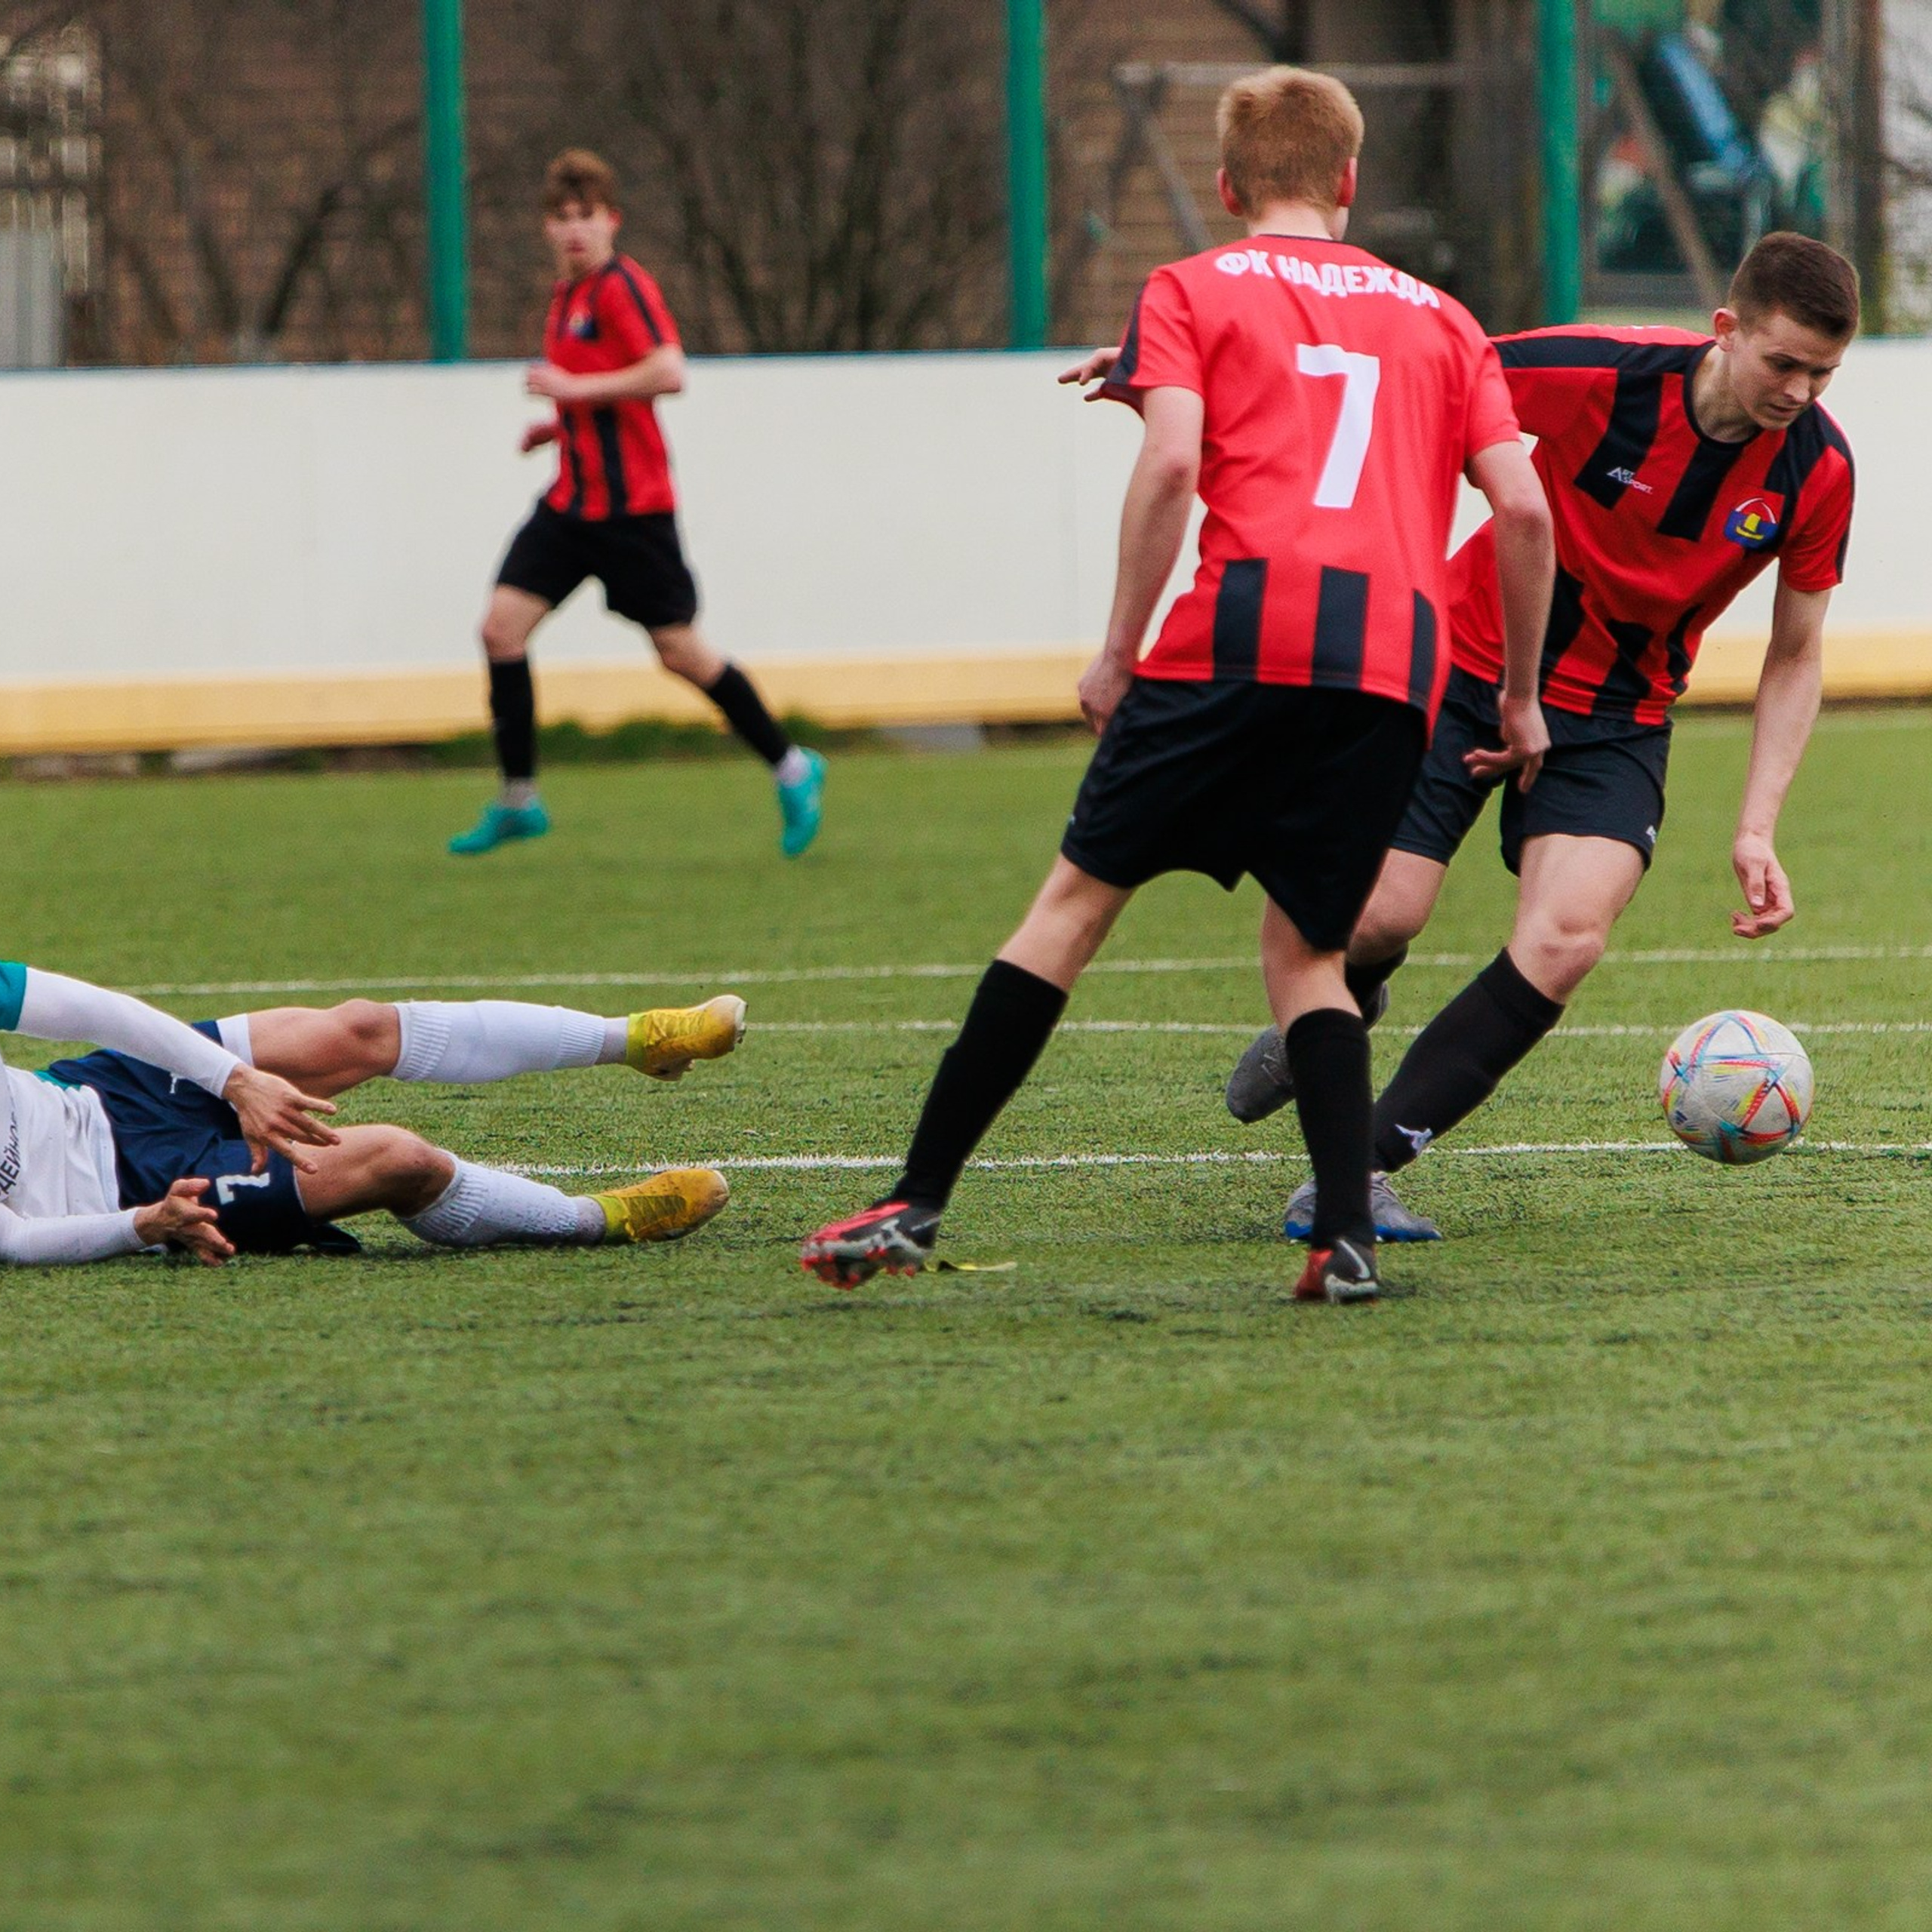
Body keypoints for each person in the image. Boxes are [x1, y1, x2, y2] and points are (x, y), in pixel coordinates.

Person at [800, 66, 1554, 1304]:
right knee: (1310, 954)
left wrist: (1114, 649)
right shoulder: (1440, 317)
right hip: (1393, 664)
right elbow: (1520, 505)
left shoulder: (1190, 288)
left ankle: (914, 1202)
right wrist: (1518, 699)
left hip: (1236, 636)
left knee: (1073, 907)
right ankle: (1344, 1239)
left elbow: (1170, 469)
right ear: (1350, 182)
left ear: (1225, 184)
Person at [1201, 232, 1860, 1240]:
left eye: (1823, 372)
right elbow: (1410, 374)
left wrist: (1757, 827)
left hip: (1618, 719)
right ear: (1724, 332)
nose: (1801, 391)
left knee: (1563, 940)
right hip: (1466, 670)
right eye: (1784, 363)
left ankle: (1356, 1173)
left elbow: (1796, 655)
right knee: (1377, 920)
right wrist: (1187, 376)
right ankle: (1339, 1002)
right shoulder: (1598, 375)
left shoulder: (1817, 472)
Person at [449, 148, 826, 860]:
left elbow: (668, 372)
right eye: (560, 219)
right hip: (571, 505)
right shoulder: (566, 299)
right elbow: (597, 387)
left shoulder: (623, 288)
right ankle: (519, 800)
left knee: (680, 651)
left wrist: (572, 395)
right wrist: (557, 427)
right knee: (501, 630)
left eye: (586, 216)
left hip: (633, 513)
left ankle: (793, 767)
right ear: (546, 230)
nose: (573, 232)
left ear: (612, 221)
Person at [0, 962, 746, 1264]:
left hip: (101, 1095)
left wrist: (233, 1079)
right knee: (398, 1161)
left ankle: (639, 1039)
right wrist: (141, 1225)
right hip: (136, 1194)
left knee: (354, 1029)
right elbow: (14, 1241)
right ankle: (600, 1219)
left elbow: (89, 1009)